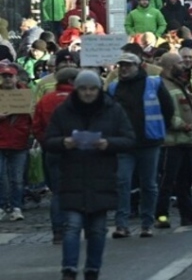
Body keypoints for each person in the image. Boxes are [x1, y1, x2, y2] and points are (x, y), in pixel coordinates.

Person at [43, 69, 135, 280]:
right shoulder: (63, 111)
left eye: (92, 88)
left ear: (98, 89)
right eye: (83, 88)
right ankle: (69, 269)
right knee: (72, 227)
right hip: (72, 175)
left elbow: (129, 139)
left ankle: (93, 269)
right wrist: (64, 143)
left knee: (97, 229)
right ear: (77, 89)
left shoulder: (113, 110)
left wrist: (108, 143)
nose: (88, 93)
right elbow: (48, 140)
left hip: (101, 176)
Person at [107, 52, 175, 238]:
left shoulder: (154, 84)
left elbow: (168, 108)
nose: (124, 69)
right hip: (124, 145)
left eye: (128, 65)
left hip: (149, 142)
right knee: (122, 182)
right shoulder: (113, 88)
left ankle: (147, 223)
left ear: (139, 67)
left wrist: (160, 129)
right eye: (121, 66)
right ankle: (122, 225)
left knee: (149, 184)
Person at [155, 53, 192, 228]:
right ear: (170, 66)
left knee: (186, 180)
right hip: (171, 142)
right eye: (180, 63)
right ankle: (160, 215)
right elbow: (165, 113)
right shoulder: (163, 86)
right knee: (166, 181)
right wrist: (181, 125)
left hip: (186, 141)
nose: (184, 66)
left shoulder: (180, 84)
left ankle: (188, 215)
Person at [33, 67, 79, 242]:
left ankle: (58, 231)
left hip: (53, 149)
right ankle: (74, 226)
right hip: (77, 150)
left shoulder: (45, 100)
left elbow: (36, 125)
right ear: (71, 82)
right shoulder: (80, 99)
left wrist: (47, 142)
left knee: (58, 192)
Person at [0, 61, 33, 221]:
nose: (7, 79)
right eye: (4, 76)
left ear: (16, 78)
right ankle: (2, 206)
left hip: (19, 141)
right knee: (0, 176)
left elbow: (32, 117)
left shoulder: (25, 95)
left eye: (9, 76)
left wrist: (33, 134)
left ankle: (16, 206)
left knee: (17, 178)